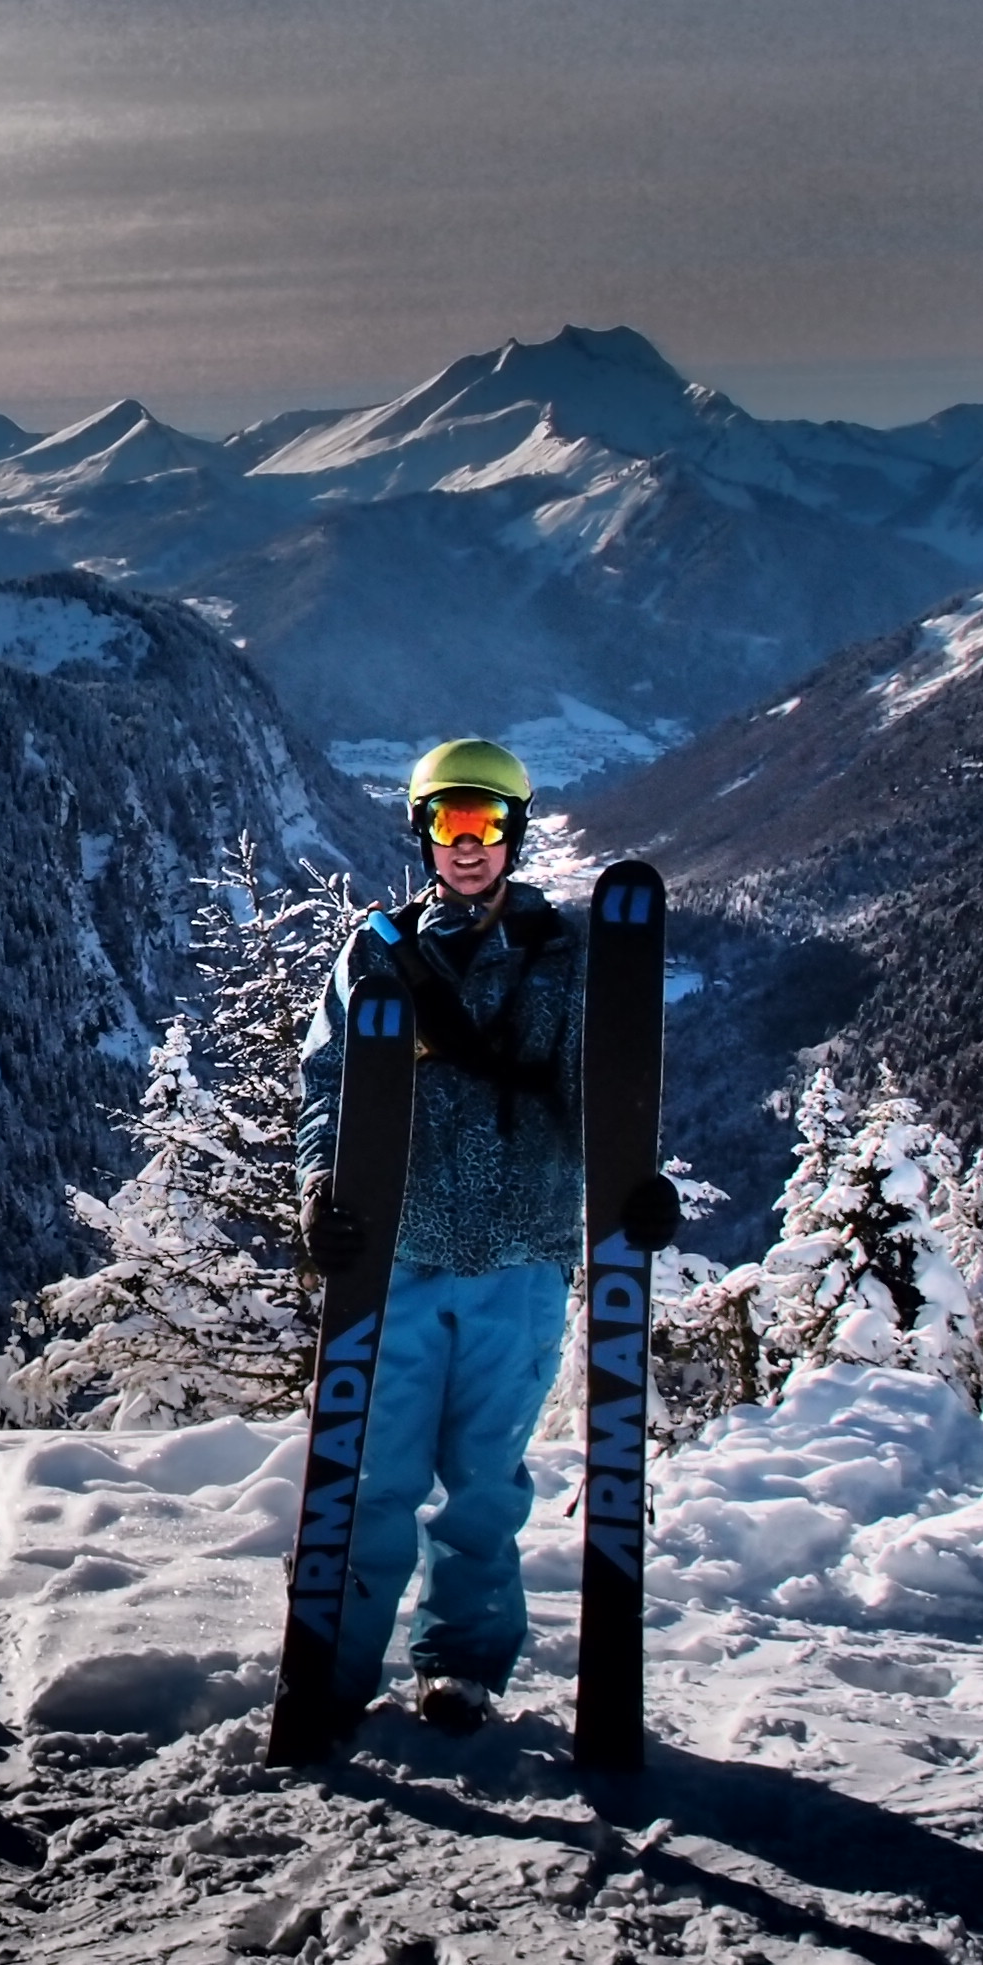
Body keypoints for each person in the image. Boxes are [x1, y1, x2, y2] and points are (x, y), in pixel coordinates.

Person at [290, 736, 666, 1740]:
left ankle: (460, 1663)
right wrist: (320, 1185)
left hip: (522, 1256)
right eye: (449, 822)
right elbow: (327, 1084)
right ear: (422, 832)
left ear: (514, 833)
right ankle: (334, 1668)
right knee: (376, 1473)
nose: (468, 842)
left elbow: (608, 1080)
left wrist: (636, 1186)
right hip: (401, 1254)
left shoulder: (565, 956)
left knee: (486, 1483)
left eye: (486, 822)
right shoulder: (376, 949)